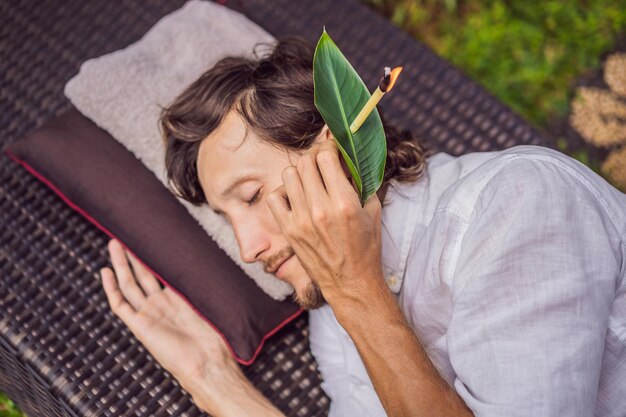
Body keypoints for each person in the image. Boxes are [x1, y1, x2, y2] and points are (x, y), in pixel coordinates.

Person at [99, 36, 626, 417]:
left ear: (334, 148)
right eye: (229, 218)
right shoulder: (333, 317)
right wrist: (210, 378)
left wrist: (356, 287)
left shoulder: (518, 202)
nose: (247, 247)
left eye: (253, 196)